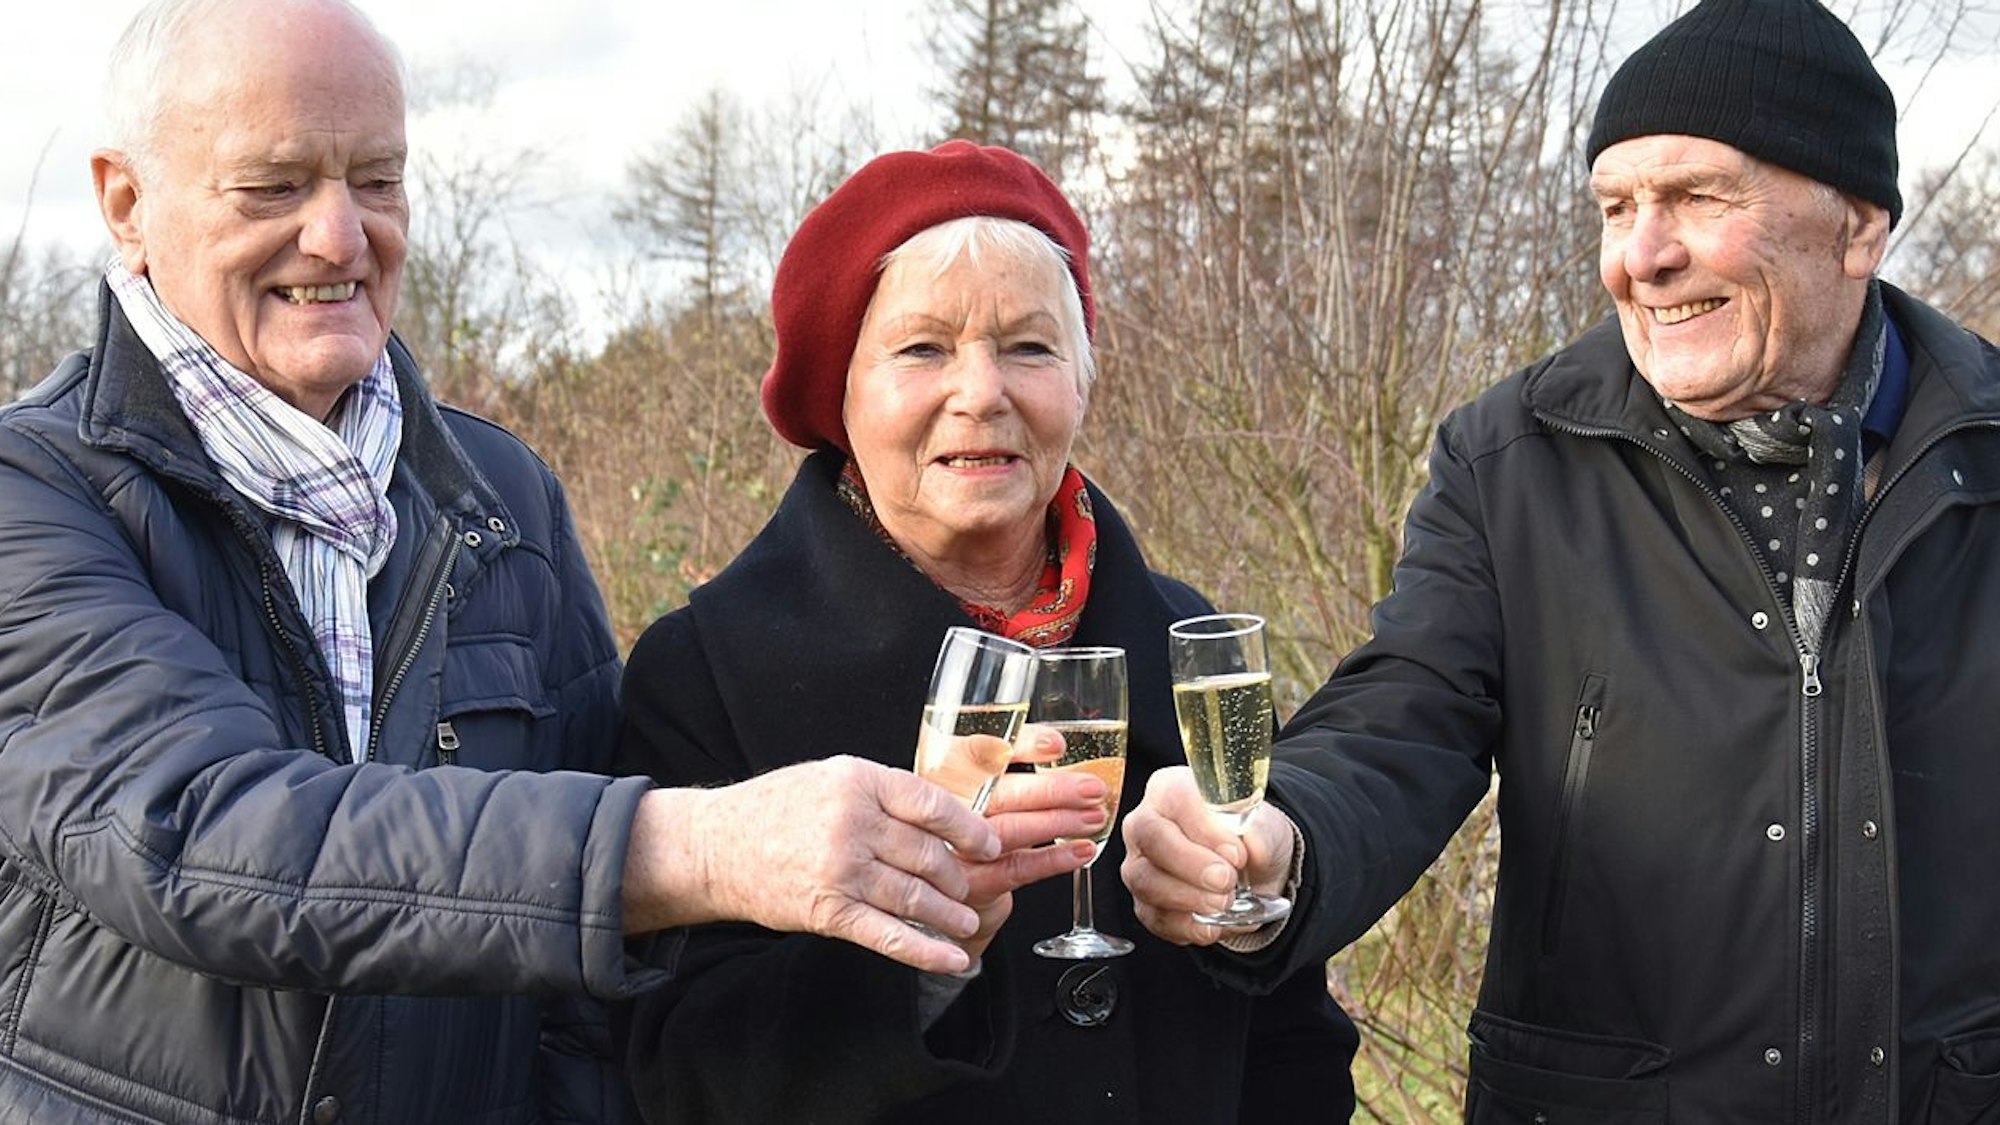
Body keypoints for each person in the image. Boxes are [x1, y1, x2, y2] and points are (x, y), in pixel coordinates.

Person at [0, 3, 1059, 1122]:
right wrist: (702, 844)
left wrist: (922, 887)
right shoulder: (37, 494)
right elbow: (201, 835)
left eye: (376, 180)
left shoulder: (499, 499)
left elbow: (590, 996)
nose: (339, 237)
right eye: (274, 186)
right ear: (126, 202)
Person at [1120, 0, 2000, 1119]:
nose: (1641, 255)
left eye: (1695, 197)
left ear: (1857, 227)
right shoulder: (1510, 462)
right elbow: (1404, 712)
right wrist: (1278, 840)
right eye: (1615, 207)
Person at [613, 139, 1359, 1123]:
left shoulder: (1191, 648)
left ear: (1082, 382)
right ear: (840, 394)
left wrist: (1255, 924)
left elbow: (1292, 1044)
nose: (982, 393)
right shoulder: (704, 669)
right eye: (922, 349)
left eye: (1029, 346)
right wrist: (920, 967)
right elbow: (674, 1077)